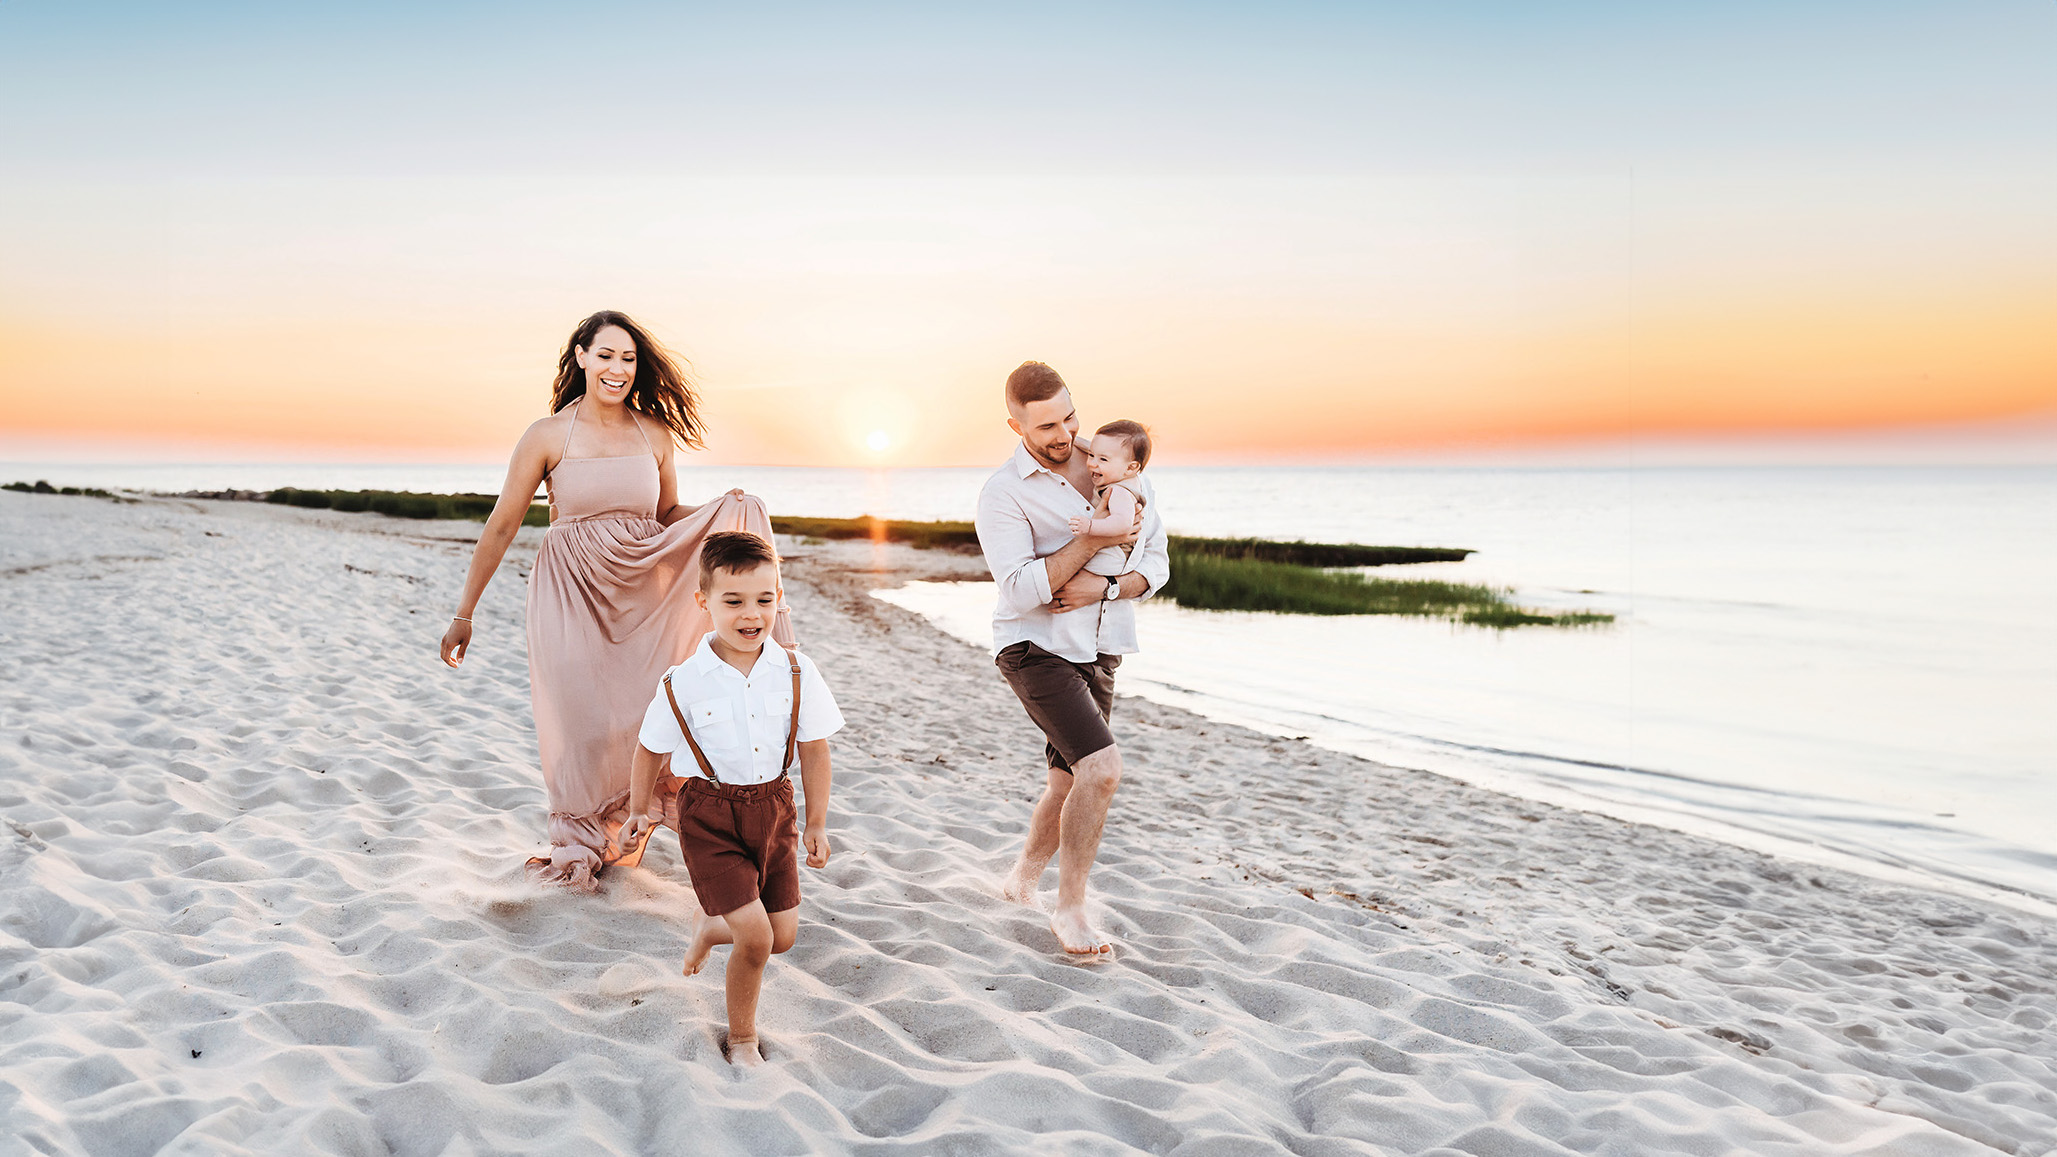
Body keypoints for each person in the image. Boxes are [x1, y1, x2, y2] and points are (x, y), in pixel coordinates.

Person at [439, 310, 794, 891]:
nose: (618, 369)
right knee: (579, 718)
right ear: (580, 357)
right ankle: (578, 841)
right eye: (605, 355)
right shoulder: (547, 434)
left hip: (635, 591)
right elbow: (503, 524)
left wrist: (724, 511)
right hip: (568, 589)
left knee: (639, 712)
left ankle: (631, 822)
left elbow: (665, 520)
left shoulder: (653, 434)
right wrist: (464, 612)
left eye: (628, 359)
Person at [620, 531, 842, 1067]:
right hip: (710, 816)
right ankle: (742, 1038)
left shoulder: (795, 670)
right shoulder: (684, 681)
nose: (752, 614)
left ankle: (710, 925)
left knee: (781, 935)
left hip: (775, 810)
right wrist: (634, 812)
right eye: (734, 601)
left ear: (780, 597)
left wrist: (817, 822)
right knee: (758, 940)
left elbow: (814, 749)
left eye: (765, 600)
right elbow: (650, 749)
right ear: (704, 603)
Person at [974, 362, 1168, 957]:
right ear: (1016, 425)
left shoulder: (1122, 465)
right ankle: (1071, 910)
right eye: (1047, 426)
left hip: (1103, 646)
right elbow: (1019, 588)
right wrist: (1092, 541)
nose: (1065, 435)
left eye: (1068, 417)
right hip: (1035, 649)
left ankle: (1023, 880)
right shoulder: (1003, 492)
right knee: (1103, 770)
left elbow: (1157, 565)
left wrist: (1104, 588)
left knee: (1067, 779)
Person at [1066, 419, 1156, 657]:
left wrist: (1090, 526)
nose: (1092, 464)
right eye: (1092, 455)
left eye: (1103, 460)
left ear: (1131, 468)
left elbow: (1122, 524)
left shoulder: (1118, 490)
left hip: (1114, 559)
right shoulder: (1127, 480)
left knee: (1068, 575)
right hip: (1117, 559)